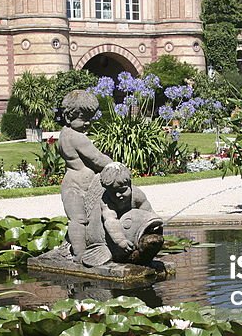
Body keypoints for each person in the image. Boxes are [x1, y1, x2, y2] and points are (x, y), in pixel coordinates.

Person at [57, 90, 111, 262]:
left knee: (85, 219)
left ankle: (84, 246)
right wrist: (114, 165)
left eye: (90, 118)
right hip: (75, 187)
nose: (88, 123)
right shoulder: (77, 137)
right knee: (78, 220)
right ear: (68, 117)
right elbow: (96, 158)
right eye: (83, 118)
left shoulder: (65, 134)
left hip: (78, 185)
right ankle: (80, 255)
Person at [82, 161, 164, 267]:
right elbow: (110, 220)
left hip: (128, 225)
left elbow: (148, 212)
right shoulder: (106, 200)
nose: (118, 195)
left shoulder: (137, 195)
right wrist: (120, 241)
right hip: (112, 234)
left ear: (129, 184)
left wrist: (156, 223)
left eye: (122, 191)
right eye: (112, 192)